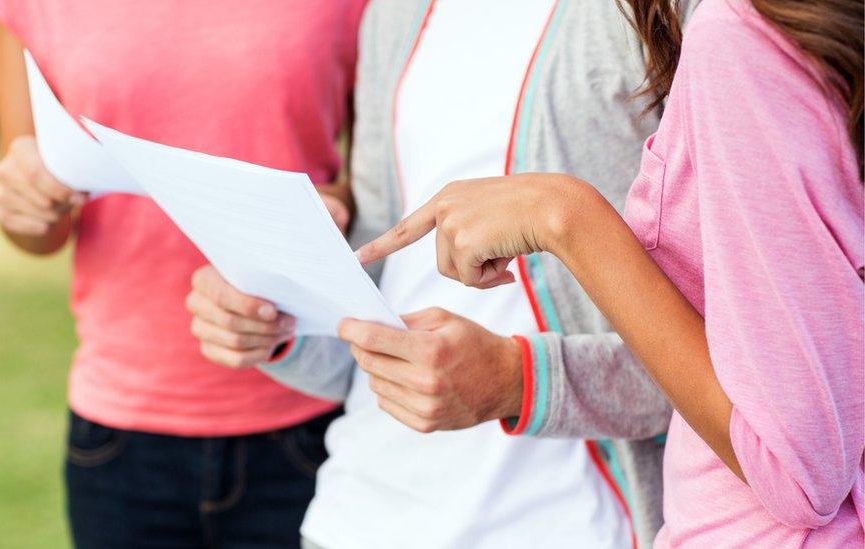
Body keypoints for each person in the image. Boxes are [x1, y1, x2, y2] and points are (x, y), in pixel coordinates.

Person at [186, 0, 700, 546]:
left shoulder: (669, 14)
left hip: (574, 525)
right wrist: (278, 319)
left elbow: (734, 379)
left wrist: (519, 382)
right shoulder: (395, 12)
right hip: (356, 515)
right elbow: (378, 306)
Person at [355, 0, 865, 546]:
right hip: (367, 500)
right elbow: (375, 258)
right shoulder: (393, 14)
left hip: (594, 521)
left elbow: (799, 467)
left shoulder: (735, 32)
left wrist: (566, 220)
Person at [0, 1, 365, 546]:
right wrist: (25, 202)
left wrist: (337, 206)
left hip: (309, 412)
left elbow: (379, 187)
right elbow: (36, 228)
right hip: (121, 431)